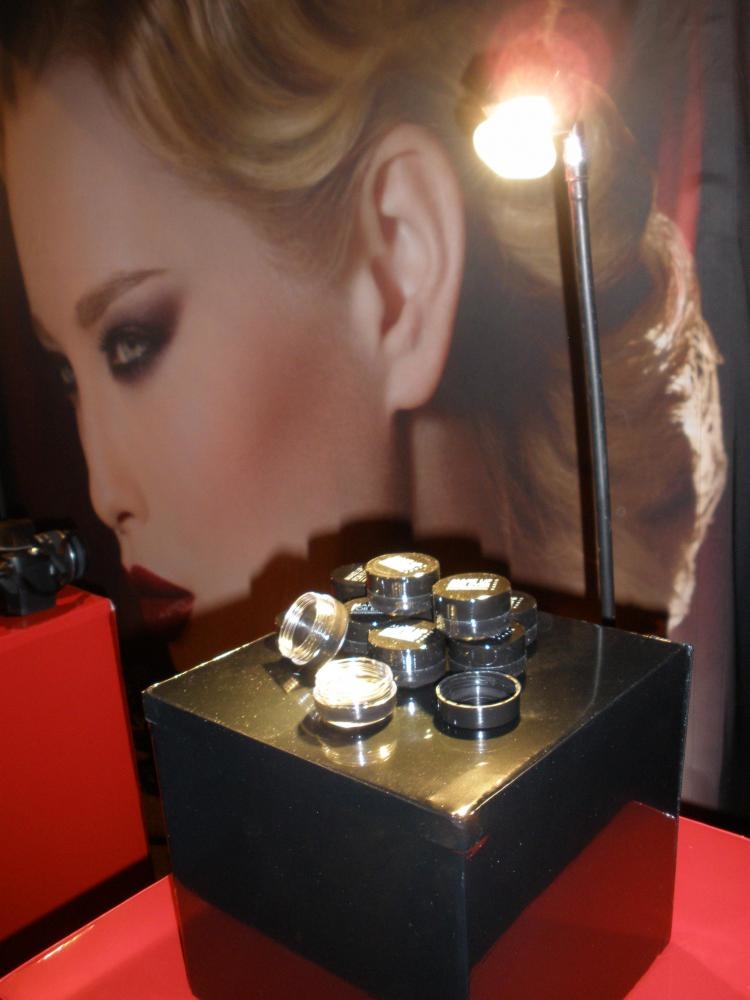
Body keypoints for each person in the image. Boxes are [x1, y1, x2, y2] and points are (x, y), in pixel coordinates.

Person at [0, 0, 725, 671]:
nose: (105, 494)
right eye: (67, 374)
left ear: (398, 269)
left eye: (133, 344)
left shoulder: (659, 689)